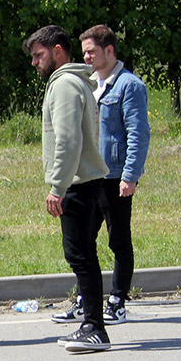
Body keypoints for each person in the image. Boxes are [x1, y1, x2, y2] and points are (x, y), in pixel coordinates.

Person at [24, 25, 111, 353]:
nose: (35, 62)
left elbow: (69, 139)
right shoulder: (76, 82)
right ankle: (92, 323)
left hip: (76, 183)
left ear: (57, 50)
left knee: (79, 255)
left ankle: (94, 327)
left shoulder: (63, 85)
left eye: (38, 55)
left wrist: (57, 187)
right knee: (84, 254)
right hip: (86, 180)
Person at [76, 24, 150, 325]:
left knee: (118, 239)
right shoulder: (89, 84)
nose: (87, 58)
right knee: (81, 240)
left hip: (115, 175)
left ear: (110, 50)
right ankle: (85, 299)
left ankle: (118, 301)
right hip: (89, 175)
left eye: (91, 51)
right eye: (84, 53)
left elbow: (138, 133)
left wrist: (130, 175)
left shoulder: (129, 86)